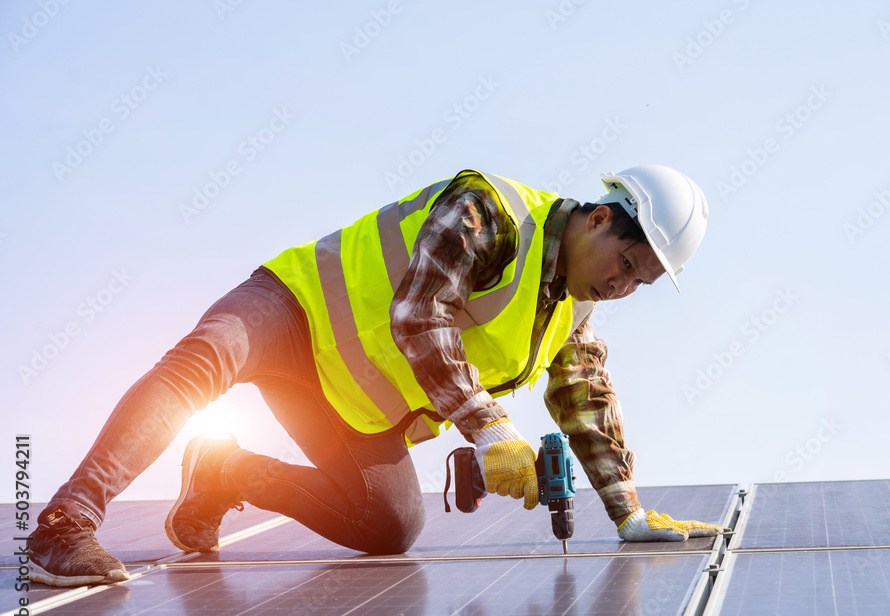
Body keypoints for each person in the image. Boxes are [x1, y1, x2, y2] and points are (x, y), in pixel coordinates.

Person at [28, 165, 722, 588]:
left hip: (344, 400)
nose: (623, 286)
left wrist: (627, 510)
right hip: (293, 311)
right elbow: (420, 312)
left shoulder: (573, 311)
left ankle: (225, 473)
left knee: (388, 523)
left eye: (643, 282)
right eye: (627, 265)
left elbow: (586, 401)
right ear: (600, 218)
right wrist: (492, 431)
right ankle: (66, 523)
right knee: (201, 363)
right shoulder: (492, 212)